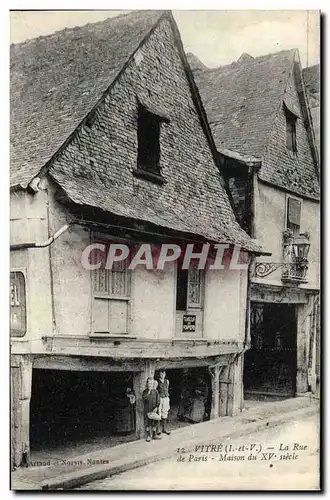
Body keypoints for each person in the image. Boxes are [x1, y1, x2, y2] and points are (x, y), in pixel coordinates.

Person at [142, 377, 161, 442]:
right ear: (147, 383)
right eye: (149, 383)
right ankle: (148, 435)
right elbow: (145, 399)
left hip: (154, 409)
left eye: (151, 383)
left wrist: (156, 407)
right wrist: (149, 391)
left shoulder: (155, 391)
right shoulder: (145, 391)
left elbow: (158, 400)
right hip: (147, 409)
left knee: (154, 422)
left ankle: (154, 435)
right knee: (148, 423)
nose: (150, 384)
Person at [157, 369, 171, 435]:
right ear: (159, 374)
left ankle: (164, 428)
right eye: (161, 374)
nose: (162, 375)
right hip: (160, 398)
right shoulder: (157, 382)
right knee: (159, 412)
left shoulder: (167, 381)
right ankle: (158, 429)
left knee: (165, 412)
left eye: (163, 374)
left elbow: (167, 389)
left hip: (166, 398)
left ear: (165, 374)